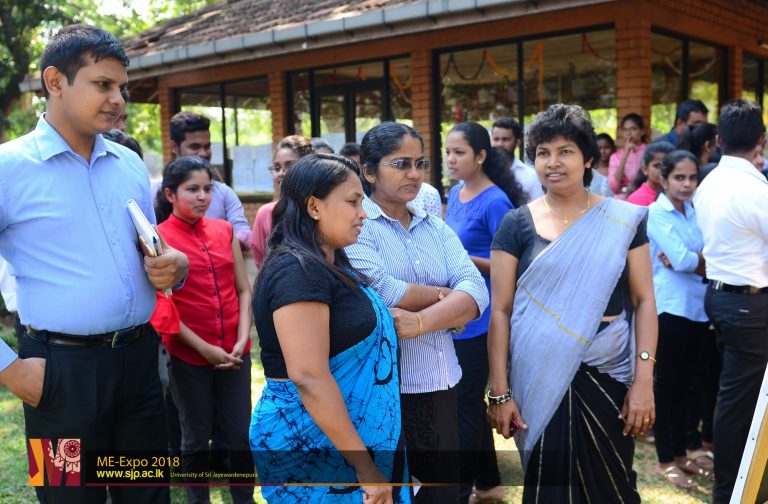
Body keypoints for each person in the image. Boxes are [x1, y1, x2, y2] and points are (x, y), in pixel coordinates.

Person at [0, 24, 188, 504]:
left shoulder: (128, 164)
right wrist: (9, 369)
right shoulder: (8, 168)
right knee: (65, 497)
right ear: (55, 82)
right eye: (103, 84)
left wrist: (176, 265)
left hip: (139, 366)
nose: (118, 99)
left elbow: (154, 250)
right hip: (57, 374)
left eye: (121, 86)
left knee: (148, 496)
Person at [487, 104, 657, 503]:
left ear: (589, 159)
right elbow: (501, 311)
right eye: (543, 152)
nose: (553, 162)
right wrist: (499, 392)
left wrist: (644, 382)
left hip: (607, 373)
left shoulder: (622, 221)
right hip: (537, 375)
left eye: (565, 151)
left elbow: (644, 300)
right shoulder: (516, 224)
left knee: (613, 486)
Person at [250, 153, 410, 503]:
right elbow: (309, 377)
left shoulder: (332, 262)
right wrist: (364, 468)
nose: (362, 213)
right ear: (314, 207)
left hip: (351, 443)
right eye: (353, 202)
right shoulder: (297, 271)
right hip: (315, 448)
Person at [346, 122, 489, 503]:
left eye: (420, 163)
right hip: (389, 389)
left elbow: (477, 292)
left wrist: (421, 321)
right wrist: (449, 300)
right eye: (401, 164)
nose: (414, 173)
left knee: (444, 494)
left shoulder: (434, 227)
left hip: (444, 381)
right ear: (369, 171)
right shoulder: (358, 226)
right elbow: (383, 291)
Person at [155, 156, 254, 503]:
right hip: (189, 356)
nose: (202, 197)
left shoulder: (224, 230)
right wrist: (204, 349)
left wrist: (242, 339)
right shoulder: (158, 238)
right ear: (170, 194)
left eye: (207, 189)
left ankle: (243, 499)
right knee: (195, 438)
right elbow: (164, 308)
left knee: (240, 435)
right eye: (192, 189)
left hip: (236, 353)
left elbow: (243, 289)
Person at [693, 99, 768, 504]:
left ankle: (738, 487)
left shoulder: (709, 183)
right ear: (762, 140)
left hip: (722, 297)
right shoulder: (754, 190)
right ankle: (731, 492)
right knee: (742, 401)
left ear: (719, 139)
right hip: (746, 303)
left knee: (736, 397)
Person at [444, 122, 523, 503]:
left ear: (480, 156)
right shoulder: (454, 193)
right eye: (448, 152)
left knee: (462, 407)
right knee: (467, 406)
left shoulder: (496, 202)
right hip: (458, 313)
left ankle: (459, 493)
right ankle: (489, 484)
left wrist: (463, 258)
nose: (450, 159)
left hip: (484, 319)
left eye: (458, 152)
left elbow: (513, 264)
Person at [647, 150, 712, 488]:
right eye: (679, 178)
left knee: (691, 384)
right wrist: (697, 260)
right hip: (670, 308)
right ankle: (665, 460)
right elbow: (684, 259)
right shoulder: (655, 213)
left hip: (699, 307)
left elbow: (706, 253)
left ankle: (684, 453)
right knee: (667, 386)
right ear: (663, 180)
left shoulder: (695, 210)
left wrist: (693, 259)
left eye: (692, 178)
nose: (687, 184)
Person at [169, 111, 252, 250]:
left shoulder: (223, 192)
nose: (203, 153)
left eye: (207, 146)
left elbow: (244, 235)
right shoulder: (155, 193)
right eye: (194, 147)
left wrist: (209, 247)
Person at [249, 135, 313, 267]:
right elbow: (262, 265)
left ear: (308, 168)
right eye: (276, 168)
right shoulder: (265, 214)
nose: (281, 173)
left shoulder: (322, 209)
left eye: (290, 166)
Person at [491, 117, 543, 202]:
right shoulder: (482, 173)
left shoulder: (530, 176)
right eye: (496, 139)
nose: (500, 144)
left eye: (505, 139)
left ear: (517, 142)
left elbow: (537, 207)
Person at [609, 113, 648, 198]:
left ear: (642, 131)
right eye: (625, 130)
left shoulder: (650, 151)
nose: (629, 133)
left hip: (646, 196)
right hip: (624, 198)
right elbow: (614, 186)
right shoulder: (615, 157)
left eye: (633, 129)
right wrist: (626, 154)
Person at [626, 141, 674, 206]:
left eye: (667, 165)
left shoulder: (679, 195)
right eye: (657, 166)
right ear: (645, 169)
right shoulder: (637, 200)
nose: (663, 170)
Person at [588, 133, 616, 197]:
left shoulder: (618, 170)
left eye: (607, 147)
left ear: (613, 148)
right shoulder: (589, 171)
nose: (603, 151)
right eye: (599, 148)